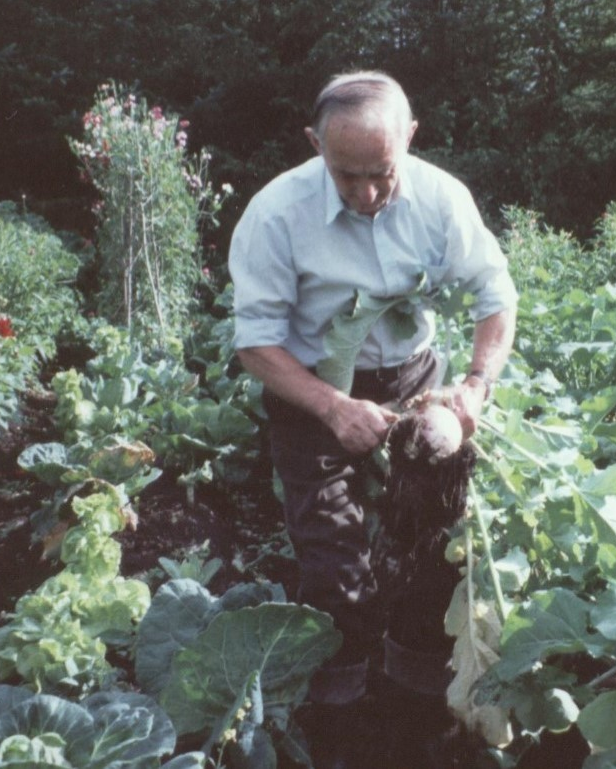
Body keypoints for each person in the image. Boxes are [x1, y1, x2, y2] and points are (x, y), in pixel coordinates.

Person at [227, 71, 517, 766]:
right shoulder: (276, 215)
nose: (365, 194)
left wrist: (472, 391)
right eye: (345, 174)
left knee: (429, 551)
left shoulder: (442, 199)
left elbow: (495, 296)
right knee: (334, 561)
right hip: (311, 390)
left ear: (409, 140)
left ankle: (420, 708)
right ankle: (340, 716)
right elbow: (255, 344)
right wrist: (332, 406)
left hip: (416, 381)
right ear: (313, 145)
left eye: (381, 175)